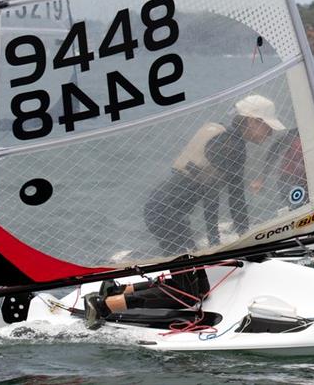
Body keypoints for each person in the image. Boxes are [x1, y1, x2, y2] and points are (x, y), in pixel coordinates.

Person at [144, 95, 285, 252]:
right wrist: (238, 240)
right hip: (166, 213)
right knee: (190, 264)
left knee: (185, 260)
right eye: (268, 126)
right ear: (253, 121)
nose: (271, 133)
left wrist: (218, 240)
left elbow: (213, 192)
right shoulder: (232, 146)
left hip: (159, 208)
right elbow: (234, 198)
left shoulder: (222, 134)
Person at [83, 259, 211, 330]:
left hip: (181, 227)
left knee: (202, 291)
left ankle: (118, 290)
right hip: (174, 227)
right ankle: (102, 304)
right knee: (187, 297)